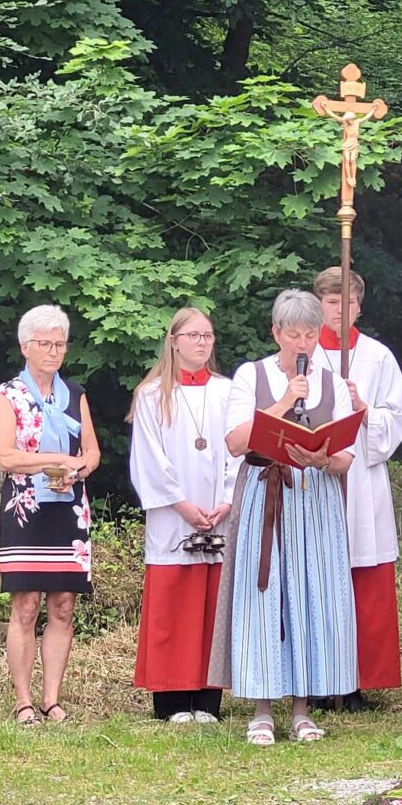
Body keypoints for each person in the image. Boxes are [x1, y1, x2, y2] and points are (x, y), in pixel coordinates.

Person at [208, 290, 358, 745]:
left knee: (310, 593)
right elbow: (235, 441)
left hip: (315, 497)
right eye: (293, 334)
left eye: (310, 334)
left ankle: (302, 708)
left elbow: (348, 456)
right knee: (265, 595)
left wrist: (322, 459)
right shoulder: (249, 376)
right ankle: (261, 709)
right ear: (276, 333)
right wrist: (283, 401)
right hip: (265, 494)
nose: (302, 343)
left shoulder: (331, 382)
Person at [0, 304, 101, 726]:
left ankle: (51, 699)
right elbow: (6, 455)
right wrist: (59, 459)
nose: (54, 351)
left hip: (68, 509)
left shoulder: (76, 393)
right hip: (26, 509)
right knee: (25, 605)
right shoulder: (8, 394)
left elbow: (91, 451)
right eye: (45, 344)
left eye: (60, 344)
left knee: (63, 605)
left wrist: (80, 468)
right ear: (25, 346)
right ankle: (22, 700)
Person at [128, 308, 236, 724]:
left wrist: (227, 499)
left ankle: (208, 701)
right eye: (193, 335)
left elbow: (236, 450)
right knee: (174, 608)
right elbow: (148, 459)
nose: (202, 343)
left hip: (216, 514)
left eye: (208, 335)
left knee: (211, 608)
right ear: (173, 341)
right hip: (174, 518)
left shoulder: (227, 392)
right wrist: (181, 504)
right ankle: (172, 702)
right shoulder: (154, 394)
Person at [311, 266, 402, 707]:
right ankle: (316, 679)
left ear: (360, 306)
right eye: (332, 303)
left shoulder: (378, 357)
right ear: (319, 306)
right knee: (315, 579)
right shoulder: (304, 355)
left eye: (348, 302)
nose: (340, 311)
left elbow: (397, 417)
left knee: (362, 582)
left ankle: (356, 681)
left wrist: (366, 410)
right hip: (315, 480)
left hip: (363, 482)